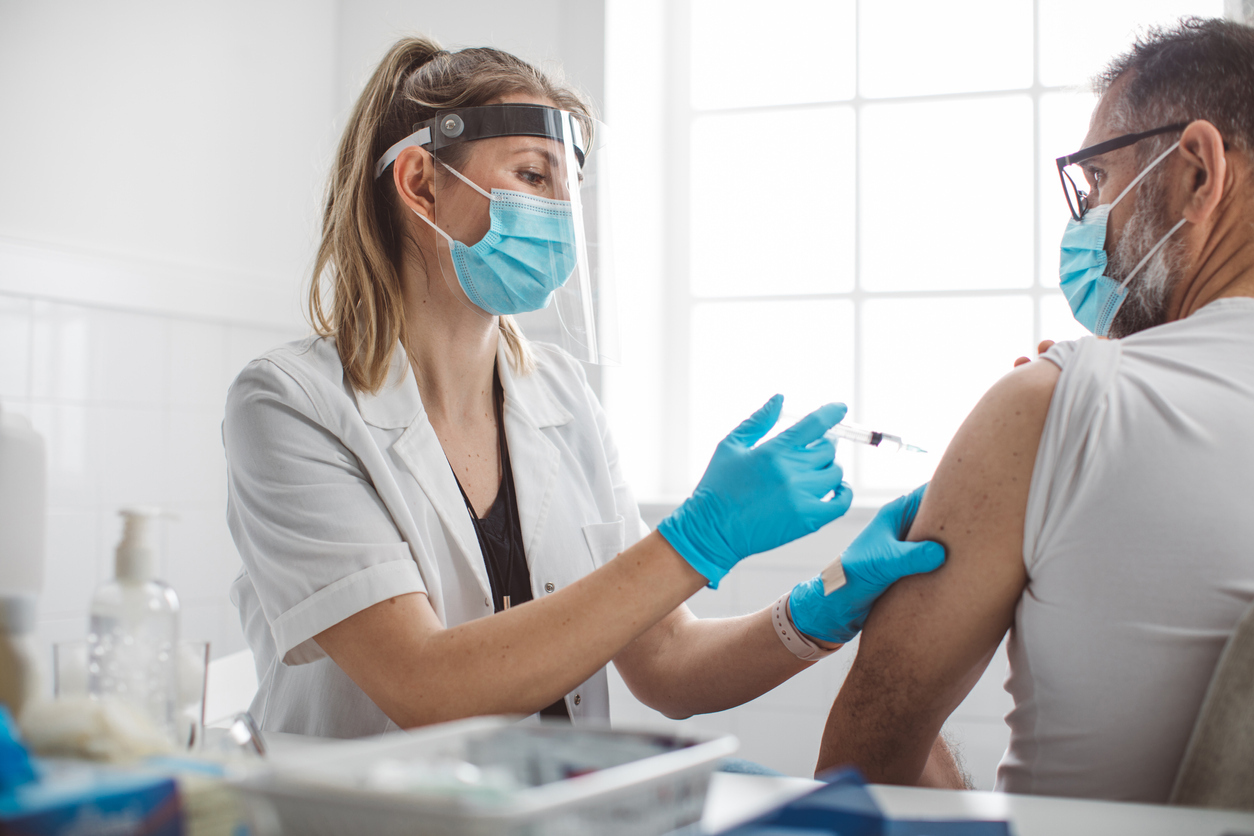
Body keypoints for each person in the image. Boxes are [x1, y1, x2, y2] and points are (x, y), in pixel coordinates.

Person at [222, 37, 945, 738]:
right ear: (420, 183)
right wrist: (698, 539)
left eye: (570, 189)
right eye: (535, 177)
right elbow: (425, 685)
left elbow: (667, 664)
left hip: (548, 807)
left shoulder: (561, 397)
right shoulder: (288, 405)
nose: (562, 215)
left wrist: (828, 602)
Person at [814, 17, 1254, 803]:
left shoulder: (1059, 403)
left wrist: (1037, 416)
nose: (1088, 221)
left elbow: (862, 777)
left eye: (1100, 184)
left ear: (1198, 171)